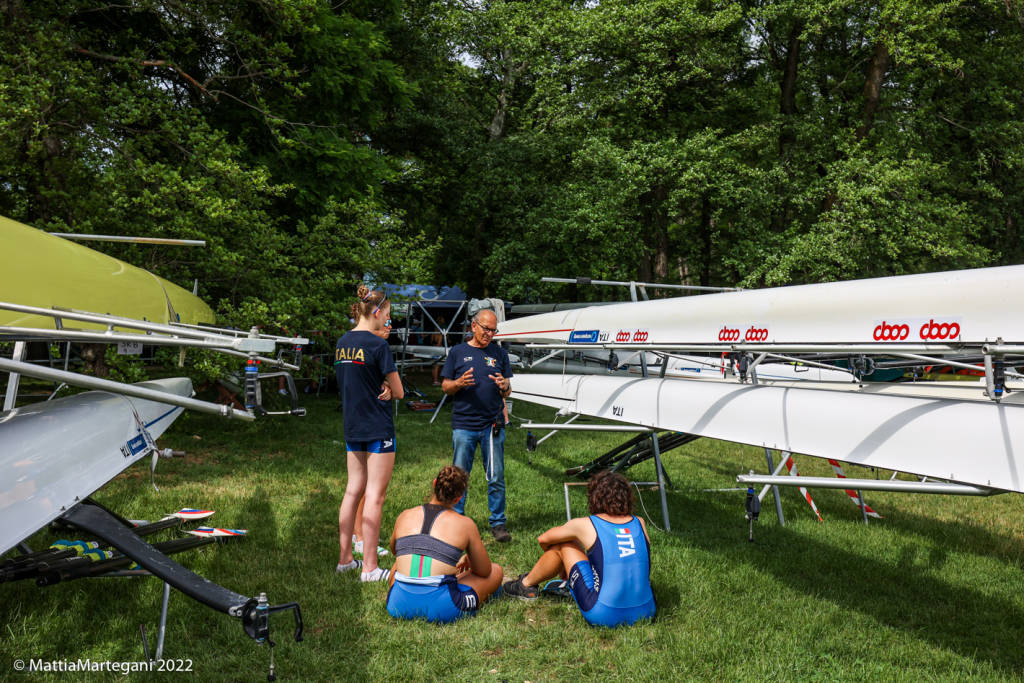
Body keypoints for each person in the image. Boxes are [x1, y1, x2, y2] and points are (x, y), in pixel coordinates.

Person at [503, 471, 656, 627]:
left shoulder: (586, 523)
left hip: (603, 614)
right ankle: (561, 581)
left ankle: (526, 584)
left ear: (595, 497)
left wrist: (562, 562)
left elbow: (543, 539)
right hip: (646, 612)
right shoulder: (639, 522)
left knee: (564, 544)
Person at [335, 285, 404, 582]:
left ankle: (345, 560)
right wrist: (389, 389)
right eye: (386, 315)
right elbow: (399, 391)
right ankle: (370, 568)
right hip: (377, 427)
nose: (386, 321)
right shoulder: (378, 346)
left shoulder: (341, 342)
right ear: (376, 312)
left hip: (352, 426)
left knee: (353, 491)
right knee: (375, 496)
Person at [386, 466, 503, 623]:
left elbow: (394, 550)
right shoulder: (465, 524)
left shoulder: (405, 515)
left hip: (396, 603)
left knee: (402, 558)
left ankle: (419, 590)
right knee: (496, 571)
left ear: (434, 484)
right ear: (458, 498)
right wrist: (469, 559)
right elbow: (484, 571)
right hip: (443, 608)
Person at [440, 309, 513, 542]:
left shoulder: (500, 353)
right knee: (460, 475)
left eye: (493, 330)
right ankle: (456, 520)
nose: (489, 334)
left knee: (496, 476)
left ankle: (498, 523)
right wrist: (459, 383)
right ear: (473, 326)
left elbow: (508, 388)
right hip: (464, 424)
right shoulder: (458, 352)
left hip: (492, 425)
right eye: (486, 329)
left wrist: (504, 385)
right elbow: (445, 386)